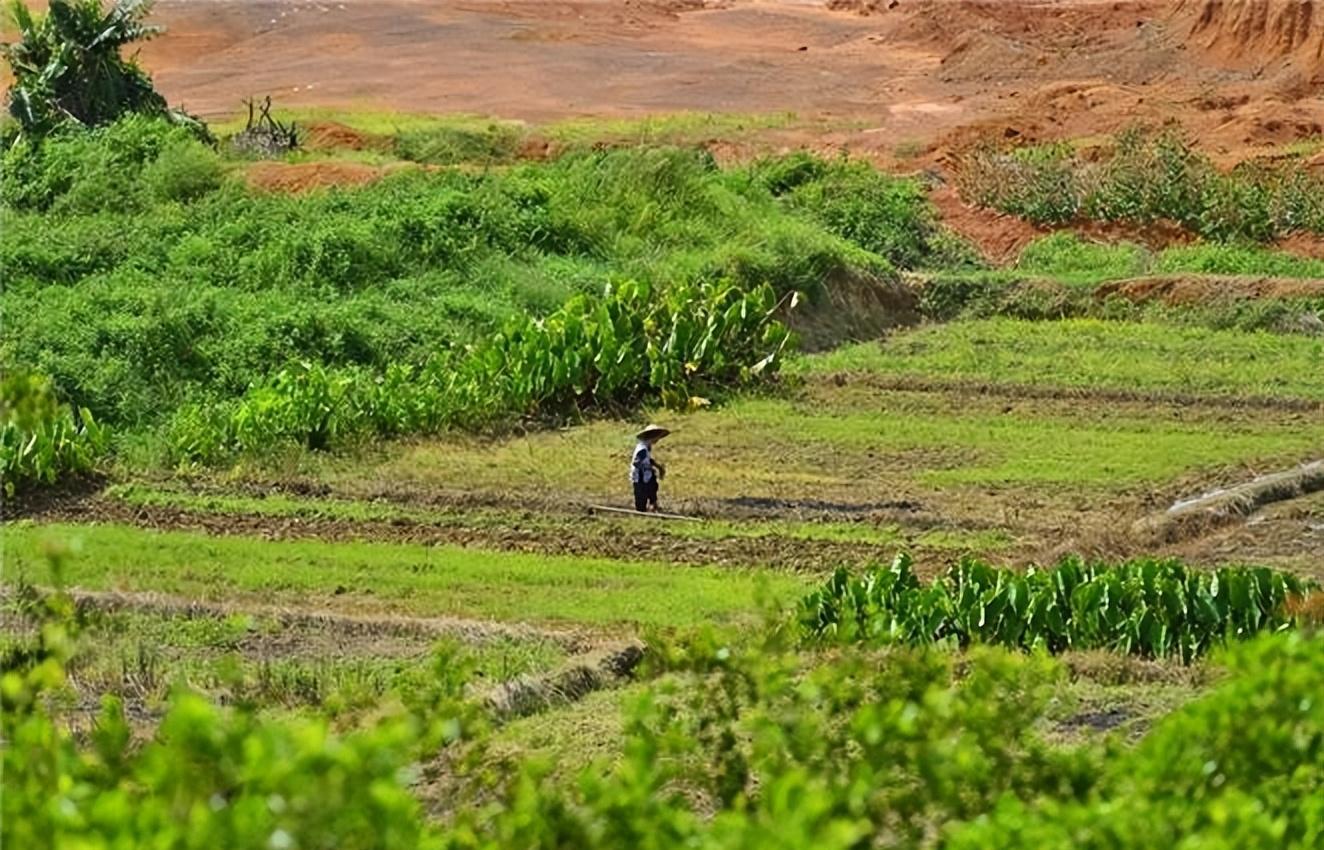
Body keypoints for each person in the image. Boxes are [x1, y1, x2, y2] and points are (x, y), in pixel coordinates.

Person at [630, 424, 669, 512]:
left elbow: (648, 460)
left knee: (653, 487)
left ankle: (653, 506)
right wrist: (648, 468)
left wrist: (658, 467)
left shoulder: (646, 446)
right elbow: (636, 463)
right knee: (641, 499)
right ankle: (642, 513)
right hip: (640, 478)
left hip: (646, 476)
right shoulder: (642, 449)